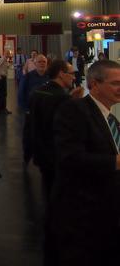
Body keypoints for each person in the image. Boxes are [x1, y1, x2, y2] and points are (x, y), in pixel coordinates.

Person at [48, 60, 120, 266]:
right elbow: (69, 158)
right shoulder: (74, 111)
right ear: (94, 84)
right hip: (83, 218)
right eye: (115, 83)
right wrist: (114, 162)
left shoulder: (111, 119)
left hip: (105, 214)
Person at [30, 60, 84, 198]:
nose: (74, 77)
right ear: (61, 74)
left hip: (41, 152)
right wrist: (74, 103)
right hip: (56, 156)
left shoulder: (38, 92)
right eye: (71, 73)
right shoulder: (62, 98)